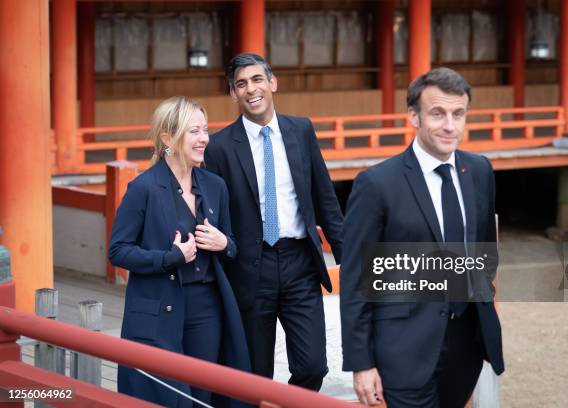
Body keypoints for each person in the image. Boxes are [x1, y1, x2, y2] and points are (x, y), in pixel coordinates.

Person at [340, 68, 504, 408]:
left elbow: (485, 251)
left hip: (465, 345)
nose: (450, 125)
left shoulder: (479, 171)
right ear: (414, 116)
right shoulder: (376, 184)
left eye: (458, 114)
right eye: (438, 114)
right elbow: (356, 278)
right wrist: (362, 363)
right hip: (403, 348)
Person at [204, 53, 343, 391]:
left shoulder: (301, 130)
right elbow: (214, 213)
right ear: (233, 94)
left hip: (300, 264)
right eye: (241, 84)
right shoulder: (219, 147)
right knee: (254, 375)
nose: (251, 89)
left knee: (313, 366)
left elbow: (325, 199)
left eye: (257, 80)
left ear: (272, 83)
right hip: (250, 268)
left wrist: (349, 259)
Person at [109, 96, 250, 408]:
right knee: (168, 396)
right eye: (194, 131)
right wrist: (168, 257)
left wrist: (223, 243)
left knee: (201, 396)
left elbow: (233, 246)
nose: (204, 139)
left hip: (207, 308)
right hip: (158, 307)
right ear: (168, 138)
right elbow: (118, 251)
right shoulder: (143, 188)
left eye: (206, 130)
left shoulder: (215, 186)